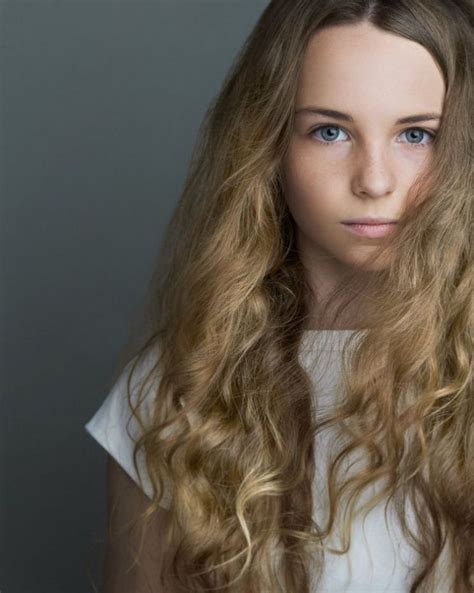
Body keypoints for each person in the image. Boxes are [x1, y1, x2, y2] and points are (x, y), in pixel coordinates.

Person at [84, 1, 473, 592]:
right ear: (268, 143)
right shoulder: (178, 388)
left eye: (416, 135)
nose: (374, 180)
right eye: (330, 131)